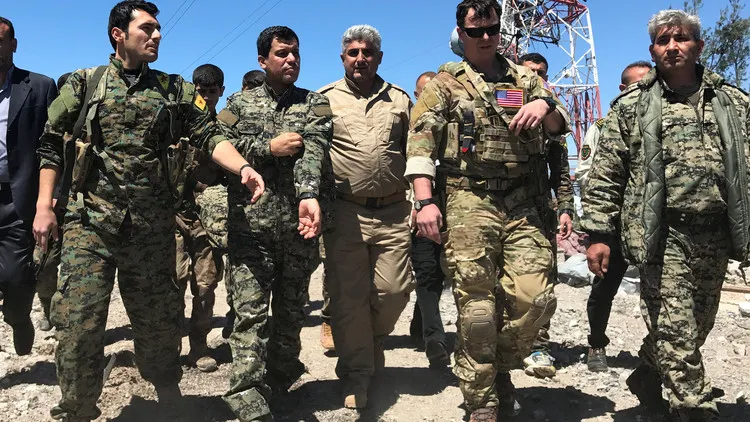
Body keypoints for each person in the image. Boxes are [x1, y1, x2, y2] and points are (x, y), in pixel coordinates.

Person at [32, 2, 264, 420]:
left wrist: (243, 167)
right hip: (91, 225)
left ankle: (167, 391)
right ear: (118, 34)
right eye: (148, 28)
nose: (157, 35)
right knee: (79, 325)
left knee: (158, 323)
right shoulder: (85, 83)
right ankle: (77, 408)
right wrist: (43, 205)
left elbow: (209, 134)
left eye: (158, 29)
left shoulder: (173, 89)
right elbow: (50, 144)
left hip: (152, 227)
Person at [581, 9, 749, 421]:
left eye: (681, 38)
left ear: (699, 46)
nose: (672, 47)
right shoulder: (632, 106)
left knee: (697, 325)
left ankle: (646, 373)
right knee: (676, 330)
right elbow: (606, 174)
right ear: (653, 50)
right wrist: (598, 234)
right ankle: (694, 409)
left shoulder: (734, 103)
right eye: (663, 41)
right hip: (661, 234)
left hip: (716, 233)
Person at [406, 1, 570, 420]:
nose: (485, 38)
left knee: (535, 298)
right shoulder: (444, 85)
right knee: (478, 307)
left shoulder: (526, 80)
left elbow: (560, 127)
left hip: (521, 201)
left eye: (492, 29)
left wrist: (546, 106)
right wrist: (425, 202)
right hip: (468, 198)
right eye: (475, 31)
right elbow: (420, 145)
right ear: (461, 33)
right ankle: (482, 400)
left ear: (500, 31)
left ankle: (499, 366)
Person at [219, 25, 332, 422]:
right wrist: (266, 147)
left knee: (290, 315)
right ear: (262, 60)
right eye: (282, 53)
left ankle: (280, 380)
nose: (291, 59)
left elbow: (314, 150)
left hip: (298, 231)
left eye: (295, 52)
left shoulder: (315, 103)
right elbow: (218, 144)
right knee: (250, 314)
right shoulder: (238, 103)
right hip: (250, 230)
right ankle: (247, 397)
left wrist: (308, 194)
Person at [318, 24, 414, 409]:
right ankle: (356, 374)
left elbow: (417, 152)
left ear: (379, 57)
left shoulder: (401, 100)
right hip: (346, 212)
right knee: (349, 297)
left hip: (394, 211)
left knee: (393, 292)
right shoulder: (324, 100)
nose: (361, 59)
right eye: (353, 52)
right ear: (343, 57)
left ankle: (371, 343)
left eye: (368, 52)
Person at [575, 60, 651, 373]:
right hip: (615, 224)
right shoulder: (604, 127)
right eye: (636, 85)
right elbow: (585, 173)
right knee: (604, 288)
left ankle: (657, 354)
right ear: (622, 89)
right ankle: (596, 343)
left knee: (662, 292)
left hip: (653, 225)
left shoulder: (663, 122)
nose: (644, 91)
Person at [0, 16, 57, 355]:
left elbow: (55, 146)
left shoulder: (39, 86)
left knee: (16, 277)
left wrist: (50, 200)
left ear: (13, 44)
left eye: (0, 41)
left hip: (18, 197)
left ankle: (18, 318)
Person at [518, 52, 575, 379]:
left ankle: (538, 344)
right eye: (530, 71)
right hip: (499, 207)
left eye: (541, 72)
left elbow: (561, 169)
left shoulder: (553, 116)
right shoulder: (500, 102)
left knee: (543, 280)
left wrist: (565, 207)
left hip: (540, 210)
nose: (536, 76)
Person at [174, 63, 227, 373]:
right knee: (174, 283)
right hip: (175, 215)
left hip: (208, 221)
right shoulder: (177, 123)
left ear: (221, 91)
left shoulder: (225, 128)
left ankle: (199, 347)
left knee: (205, 286)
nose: (206, 98)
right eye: (201, 92)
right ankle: (170, 349)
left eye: (212, 92)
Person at [213, 69, 266, 340]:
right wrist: (267, 147)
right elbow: (219, 140)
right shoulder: (234, 107)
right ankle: (234, 317)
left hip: (271, 207)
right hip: (238, 204)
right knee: (237, 270)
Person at [408, 70, 451, 368]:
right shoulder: (410, 125)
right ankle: (434, 338)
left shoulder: (454, 124)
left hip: (455, 209)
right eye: (424, 91)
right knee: (426, 272)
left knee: (445, 274)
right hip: (419, 208)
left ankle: (420, 323)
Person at [33, 72, 71, 333]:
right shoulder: (51, 129)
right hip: (52, 208)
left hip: (82, 209)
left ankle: (69, 320)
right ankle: (47, 308)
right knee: (43, 264)